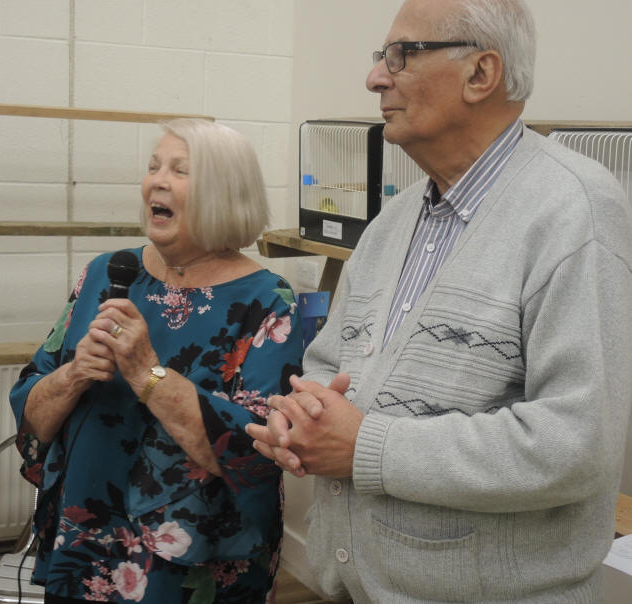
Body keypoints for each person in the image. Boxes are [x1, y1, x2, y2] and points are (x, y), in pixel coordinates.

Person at [246, 0, 632, 602]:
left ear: (481, 74)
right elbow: (328, 364)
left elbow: (574, 446)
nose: (376, 77)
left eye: (401, 55)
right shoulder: (391, 222)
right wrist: (301, 416)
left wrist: (365, 446)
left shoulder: (576, 210)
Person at [10, 118, 304, 604]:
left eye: (180, 171)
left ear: (226, 193)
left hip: (192, 564)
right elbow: (31, 416)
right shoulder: (105, 273)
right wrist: (75, 373)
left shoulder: (268, 301)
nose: (157, 181)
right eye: (153, 167)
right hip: (84, 547)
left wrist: (148, 373)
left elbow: (257, 452)